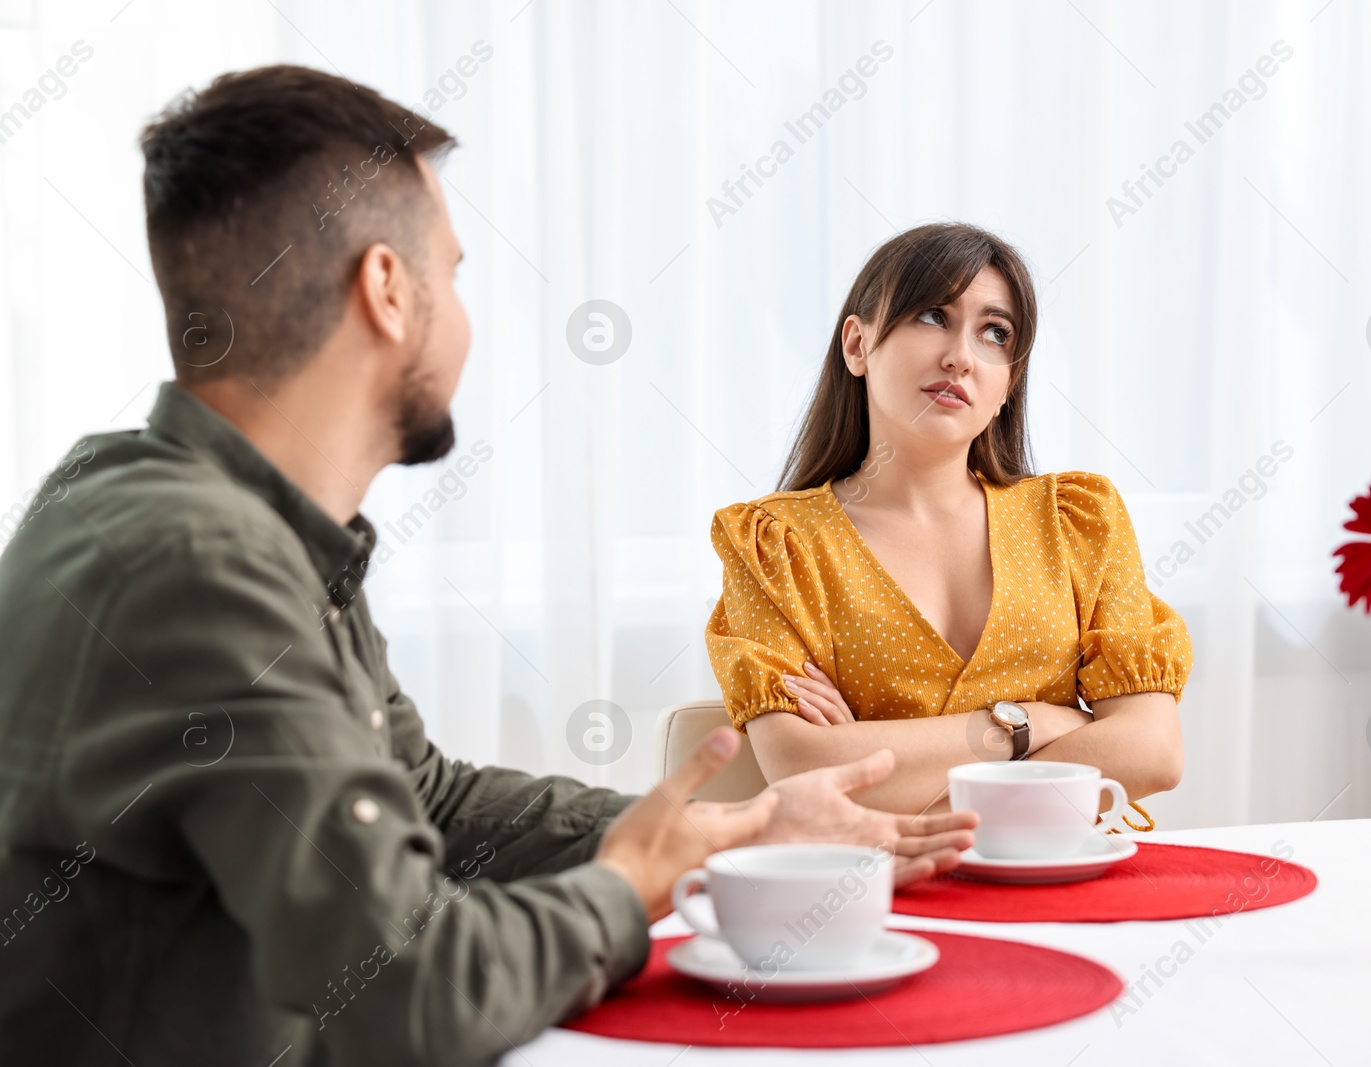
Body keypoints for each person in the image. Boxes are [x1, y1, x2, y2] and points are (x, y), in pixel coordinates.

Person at [0, 67, 975, 1066]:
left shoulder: (196, 511)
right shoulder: (200, 563)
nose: (465, 317)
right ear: (386, 288)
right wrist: (626, 886)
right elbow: (412, 989)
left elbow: (421, 794)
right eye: (454, 273)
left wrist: (727, 829)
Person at [706, 223, 1194, 821]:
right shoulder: (774, 545)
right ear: (857, 346)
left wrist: (903, 800)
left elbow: (1152, 753)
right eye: (933, 316)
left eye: (995, 333)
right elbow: (806, 768)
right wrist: (1033, 724)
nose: (960, 357)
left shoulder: (1079, 520)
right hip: (878, 893)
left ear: (1008, 384)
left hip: (1063, 889)